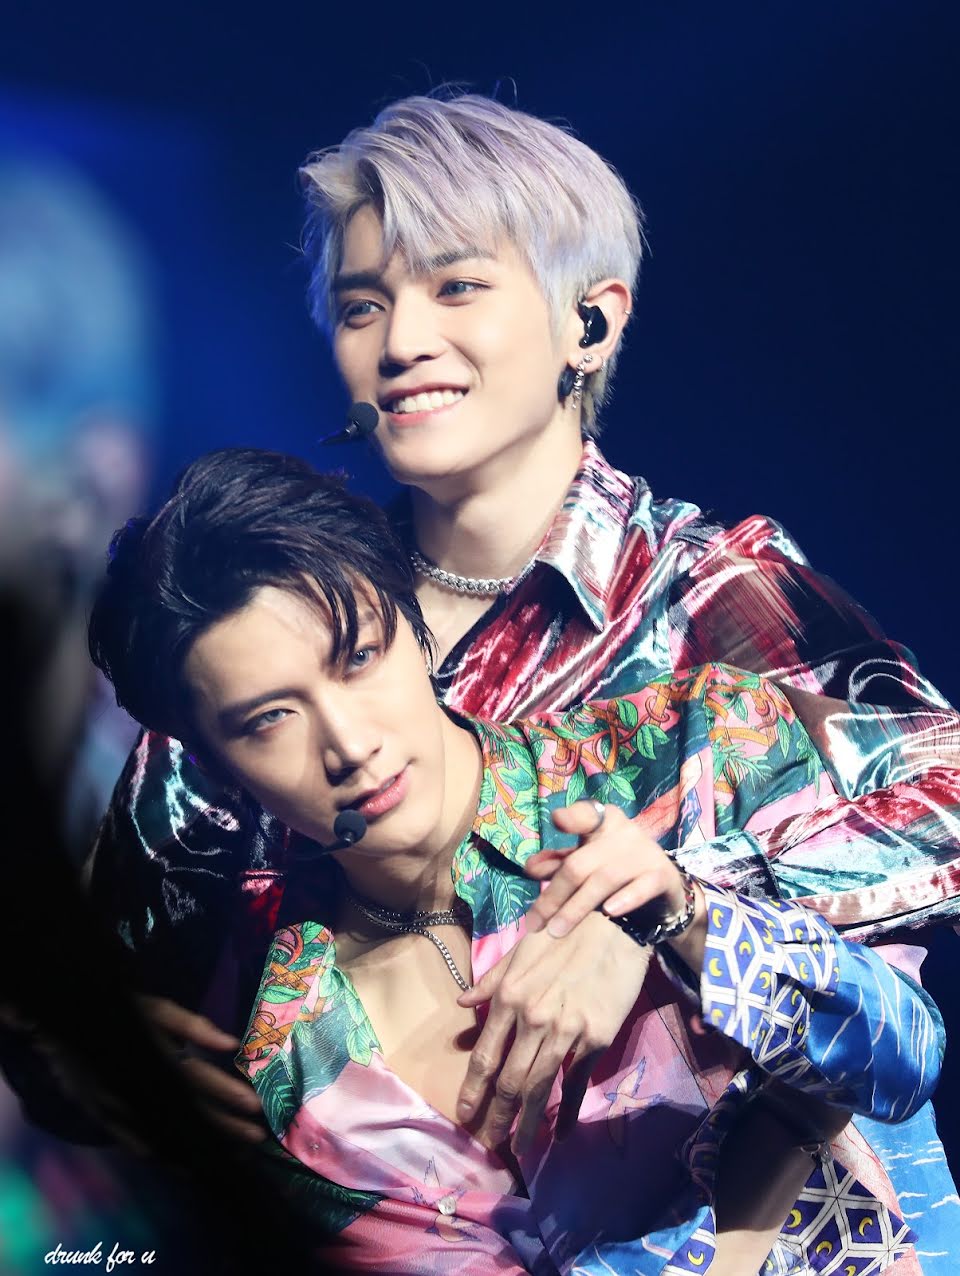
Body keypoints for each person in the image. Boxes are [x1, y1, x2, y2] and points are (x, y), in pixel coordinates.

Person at [84, 91, 960, 1240]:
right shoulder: (270, 632)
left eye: (455, 286)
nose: (401, 341)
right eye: (362, 304)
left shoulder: (704, 592)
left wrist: (654, 912)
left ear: (588, 322)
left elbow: (943, 801)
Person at [87, 445, 953, 1274]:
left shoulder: (692, 747)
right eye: (269, 720)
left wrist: (684, 915)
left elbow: (903, 1056)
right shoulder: (297, 1065)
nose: (350, 744)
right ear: (213, 764)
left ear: (413, 625)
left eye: (360, 657)